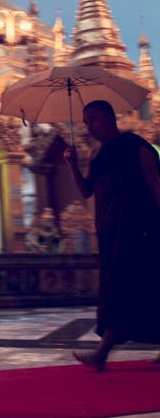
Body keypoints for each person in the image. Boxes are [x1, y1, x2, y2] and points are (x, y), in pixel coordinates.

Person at [64, 99, 160, 370]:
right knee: (128, 289)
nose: (89, 127)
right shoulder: (98, 155)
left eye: (93, 120)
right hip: (111, 232)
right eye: (85, 122)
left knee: (133, 287)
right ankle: (102, 353)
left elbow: (155, 185)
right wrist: (72, 164)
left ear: (109, 118)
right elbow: (86, 192)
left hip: (141, 228)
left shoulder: (137, 147)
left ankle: (102, 352)